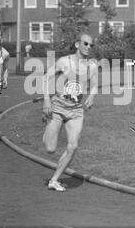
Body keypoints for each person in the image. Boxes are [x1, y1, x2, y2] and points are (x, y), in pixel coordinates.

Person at [42, 32, 98, 192]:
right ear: (77, 44)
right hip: (58, 107)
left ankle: (54, 180)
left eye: (91, 45)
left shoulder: (92, 66)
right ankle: (47, 131)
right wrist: (46, 100)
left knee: (73, 146)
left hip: (76, 111)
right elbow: (46, 77)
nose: (88, 47)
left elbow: (94, 85)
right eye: (85, 43)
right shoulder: (64, 62)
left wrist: (92, 96)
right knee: (50, 149)